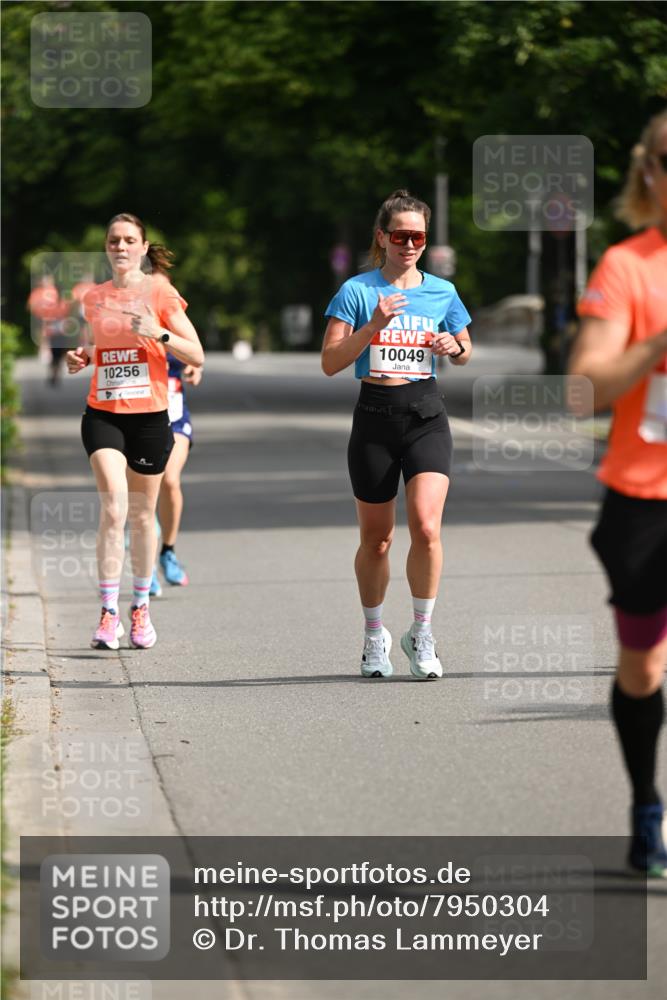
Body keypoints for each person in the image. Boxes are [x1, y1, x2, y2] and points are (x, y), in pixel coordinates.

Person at [569, 110, 667, 876]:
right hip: (645, 499)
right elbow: (582, 389)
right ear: (649, 173)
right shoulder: (627, 267)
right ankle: (645, 803)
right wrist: (658, 343)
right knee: (643, 669)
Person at [321, 189, 471, 680]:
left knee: (427, 528)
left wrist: (453, 345)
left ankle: (422, 632)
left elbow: (464, 346)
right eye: (400, 235)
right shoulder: (358, 291)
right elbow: (330, 363)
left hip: (425, 412)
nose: (409, 244)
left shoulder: (442, 292)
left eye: (418, 237)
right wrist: (373, 326)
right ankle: (374, 635)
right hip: (375, 417)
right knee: (378, 539)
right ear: (382, 238)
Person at [66, 213, 204, 650]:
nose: (120, 247)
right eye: (113, 240)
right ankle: (108, 614)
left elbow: (196, 352)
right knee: (113, 507)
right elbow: (96, 345)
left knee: (143, 515)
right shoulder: (95, 297)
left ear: (143, 248)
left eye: (129, 240)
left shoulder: (160, 292)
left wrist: (159, 333)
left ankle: (140, 607)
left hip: (150, 418)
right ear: (106, 248)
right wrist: (82, 358)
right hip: (103, 413)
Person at [148, 353, 202, 596]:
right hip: (139, 417)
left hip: (175, 417)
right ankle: (145, 568)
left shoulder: (174, 318)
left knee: (169, 480)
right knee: (145, 490)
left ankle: (167, 551)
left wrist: (194, 368)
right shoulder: (126, 322)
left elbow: (194, 356)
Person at [27, 274, 72, 386]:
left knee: (58, 353)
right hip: (53, 331)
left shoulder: (61, 299)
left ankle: (55, 371)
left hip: (59, 330)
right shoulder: (40, 294)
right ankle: (54, 371)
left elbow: (67, 311)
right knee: (56, 353)